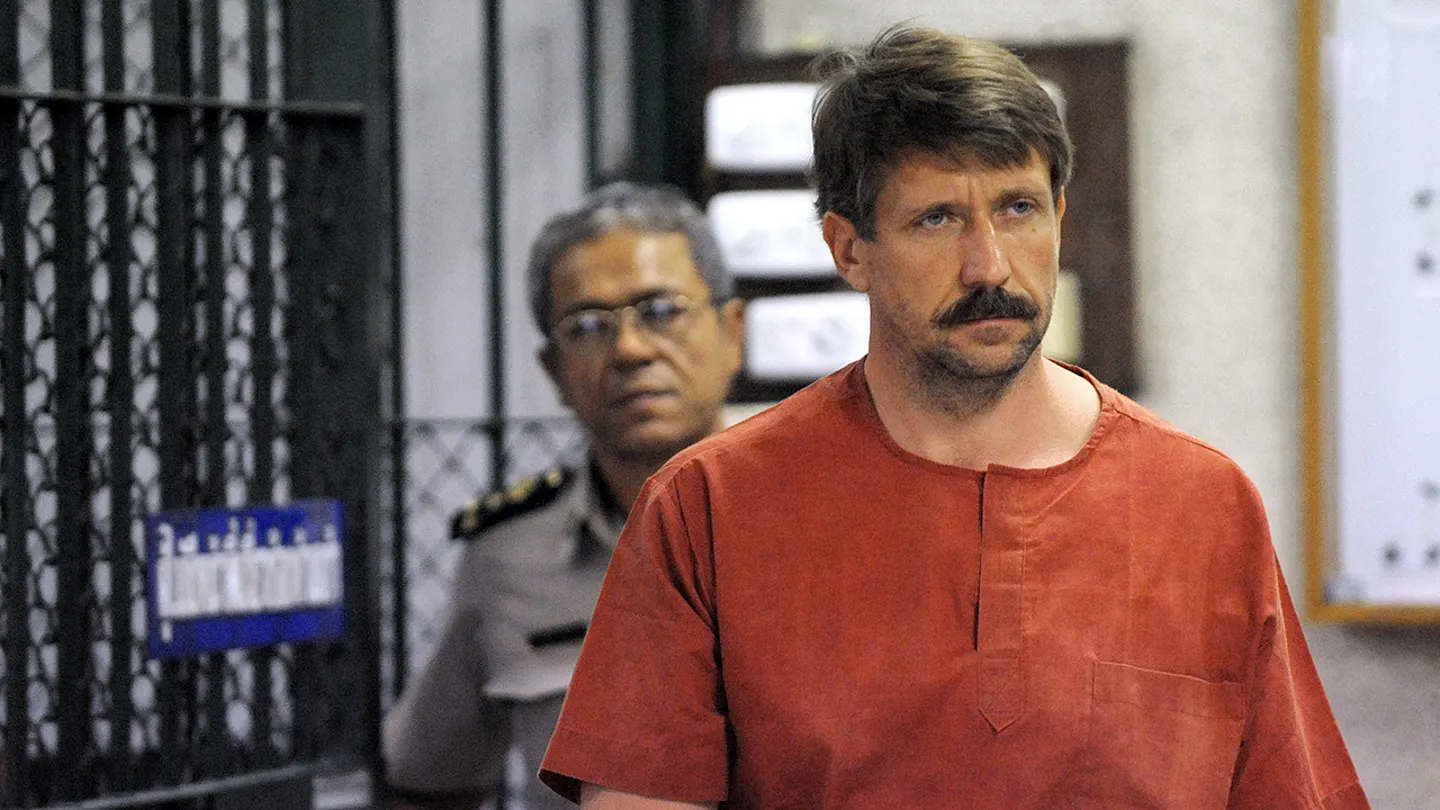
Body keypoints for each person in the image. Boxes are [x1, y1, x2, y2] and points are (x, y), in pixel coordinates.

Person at [538, 26, 1369, 810]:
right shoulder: (706, 510)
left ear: (1060, 218)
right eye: (937, 218)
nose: (990, 265)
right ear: (848, 249)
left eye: (1018, 208)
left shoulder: (1203, 504)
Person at [383, 182, 745, 810]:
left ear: (731, 331)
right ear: (553, 372)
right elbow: (428, 776)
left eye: (660, 311)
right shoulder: (509, 558)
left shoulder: (828, 518)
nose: (630, 349)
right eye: (587, 327)